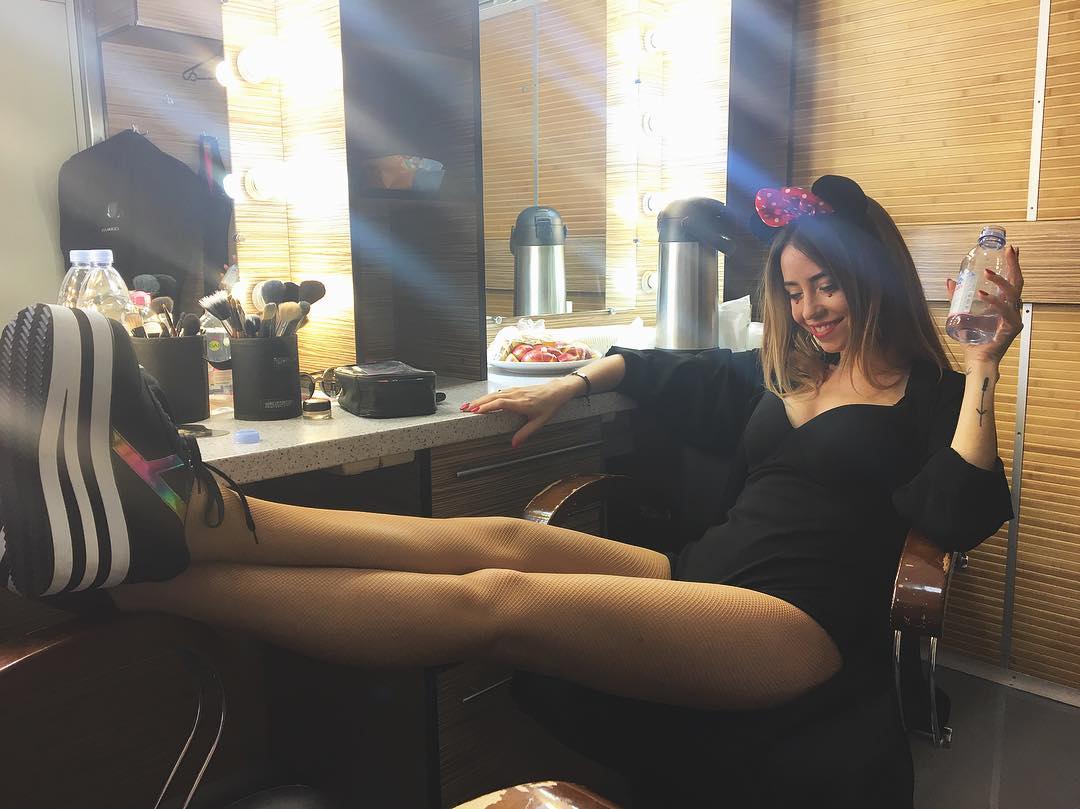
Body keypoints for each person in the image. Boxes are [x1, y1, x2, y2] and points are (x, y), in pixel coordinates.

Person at [0, 176, 1016, 719]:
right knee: (500, 536)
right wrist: (572, 381)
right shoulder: (784, 372)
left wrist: (982, 368)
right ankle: (182, 510)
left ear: (868, 273)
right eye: (792, 292)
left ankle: (149, 582)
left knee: (501, 596)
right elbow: (661, 367)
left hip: (795, 623)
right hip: (699, 571)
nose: (810, 308)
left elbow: (956, 513)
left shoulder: (929, 395)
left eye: (825, 285)